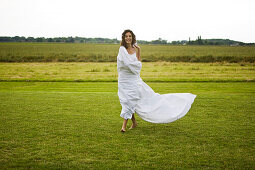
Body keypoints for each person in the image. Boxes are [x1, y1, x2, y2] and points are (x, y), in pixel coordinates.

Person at [117, 29, 196, 132]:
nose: (128, 38)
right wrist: (135, 66)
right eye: (126, 36)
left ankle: (123, 127)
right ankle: (134, 122)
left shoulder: (135, 49)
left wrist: (139, 51)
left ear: (132, 38)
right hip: (124, 79)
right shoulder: (122, 49)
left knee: (131, 100)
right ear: (123, 38)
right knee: (127, 100)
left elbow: (138, 63)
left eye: (130, 36)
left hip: (134, 79)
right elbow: (127, 64)